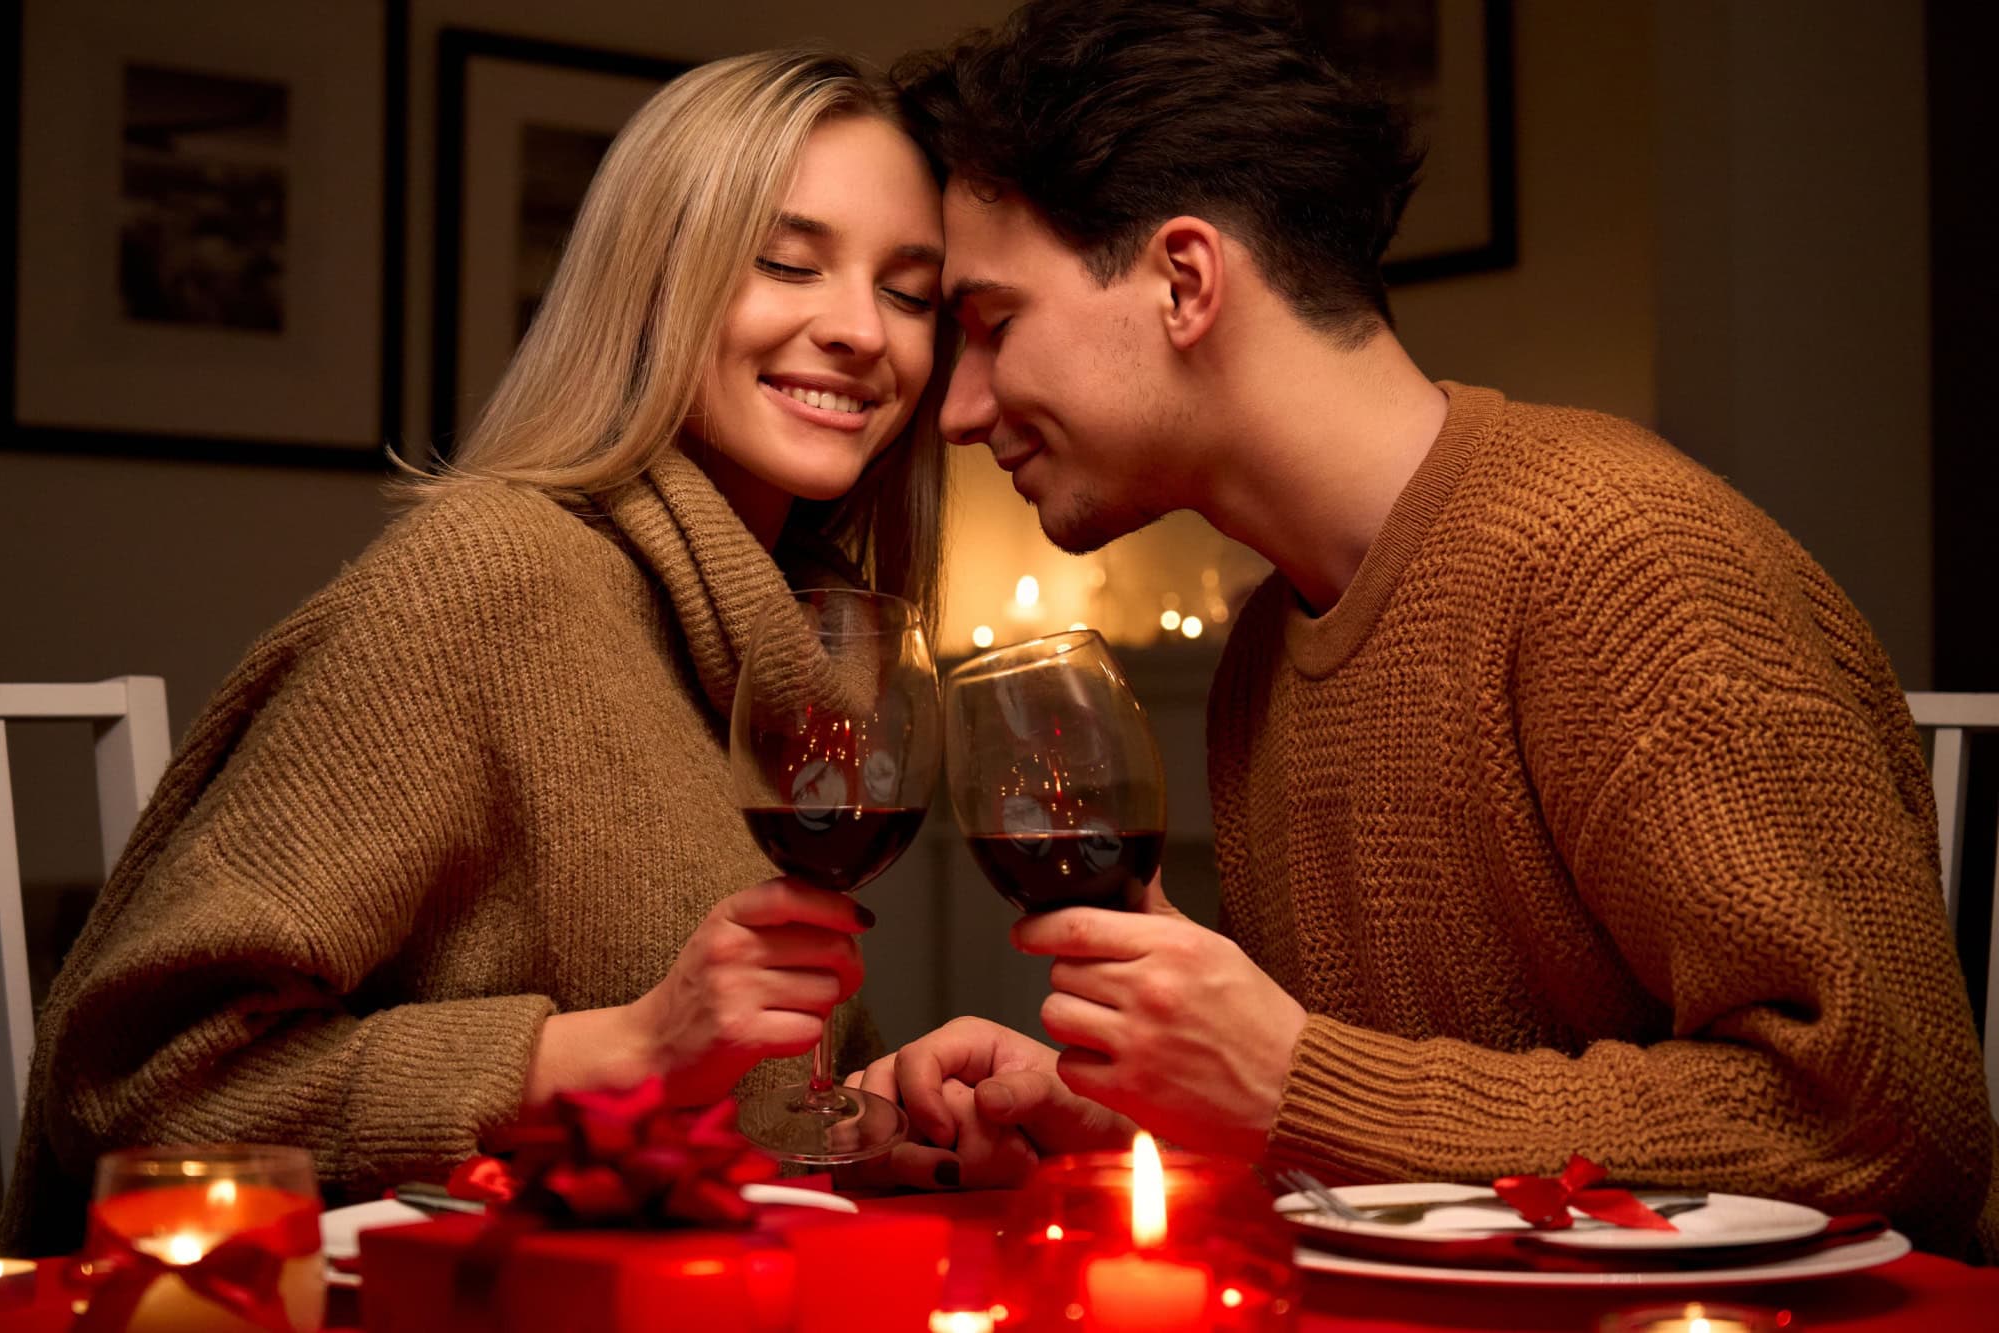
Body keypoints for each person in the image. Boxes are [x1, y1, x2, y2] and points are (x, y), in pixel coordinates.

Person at [853, 0, 1997, 1258]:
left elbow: (1890, 1120)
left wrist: (1296, 1082)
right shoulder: (1262, 657)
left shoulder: (1616, 562)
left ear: (1185, 280)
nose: (954, 408)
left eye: (991, 325)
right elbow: (1399, 1117)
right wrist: (1129, 1103)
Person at [1, 48, 949, 1253]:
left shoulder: (801, 636)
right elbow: (137, 1078)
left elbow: (698, 1113)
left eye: (911, 293)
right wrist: (614, 1050)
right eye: (785, 263)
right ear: (652, 285)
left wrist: (878, 1109)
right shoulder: (490, 579)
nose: (862, 331)